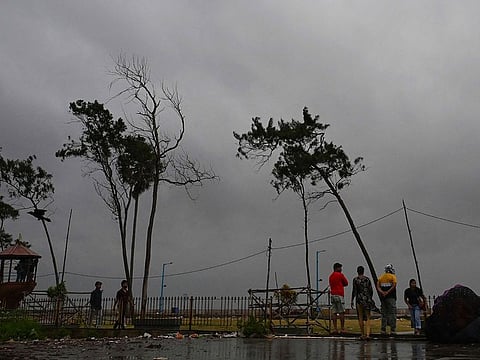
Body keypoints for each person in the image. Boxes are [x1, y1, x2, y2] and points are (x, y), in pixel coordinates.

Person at [351, 265, 375, 340]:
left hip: (359, 299)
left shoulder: (355, 280)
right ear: (363, 271)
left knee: (360, 316)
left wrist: (352, 300)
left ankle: (362, 333)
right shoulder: (367, 279)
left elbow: (354, 290)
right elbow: (371, 290)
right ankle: (368, 334)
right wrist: (370, 298)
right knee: (368, 317)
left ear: (357, 271)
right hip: (367, 299)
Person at [376, 263, 397, 336]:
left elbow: (378, 286)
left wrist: (382, 292)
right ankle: (393, 329)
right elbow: (394, 285)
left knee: (384, 314)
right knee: (392, 313)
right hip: (391, 297)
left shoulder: (381, 277)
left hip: (383, 298)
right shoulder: (393, 276)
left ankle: (383, 329)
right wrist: (388, 292)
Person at [328, 262, 349, 334]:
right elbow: (346, 283)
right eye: (340, 268)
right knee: (341, 312)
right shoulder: (340, 275)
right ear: (337, 268)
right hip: (339, 295)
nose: (341, 269)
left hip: (333, 295)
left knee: (334, 312)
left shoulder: (331, 276)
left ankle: (335, 329)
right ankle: (342, 328)